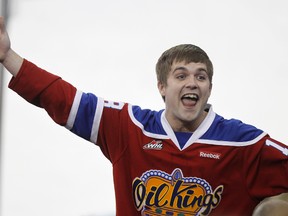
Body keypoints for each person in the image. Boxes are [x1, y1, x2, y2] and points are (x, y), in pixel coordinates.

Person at [0, 16, 287, 216]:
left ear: (209, 88)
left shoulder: (244, 145)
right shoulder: (130, 128)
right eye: (181, 75)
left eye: (201, 76)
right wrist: (8, 55)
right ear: (162, 87)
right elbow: (63, 99)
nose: (192, 82)